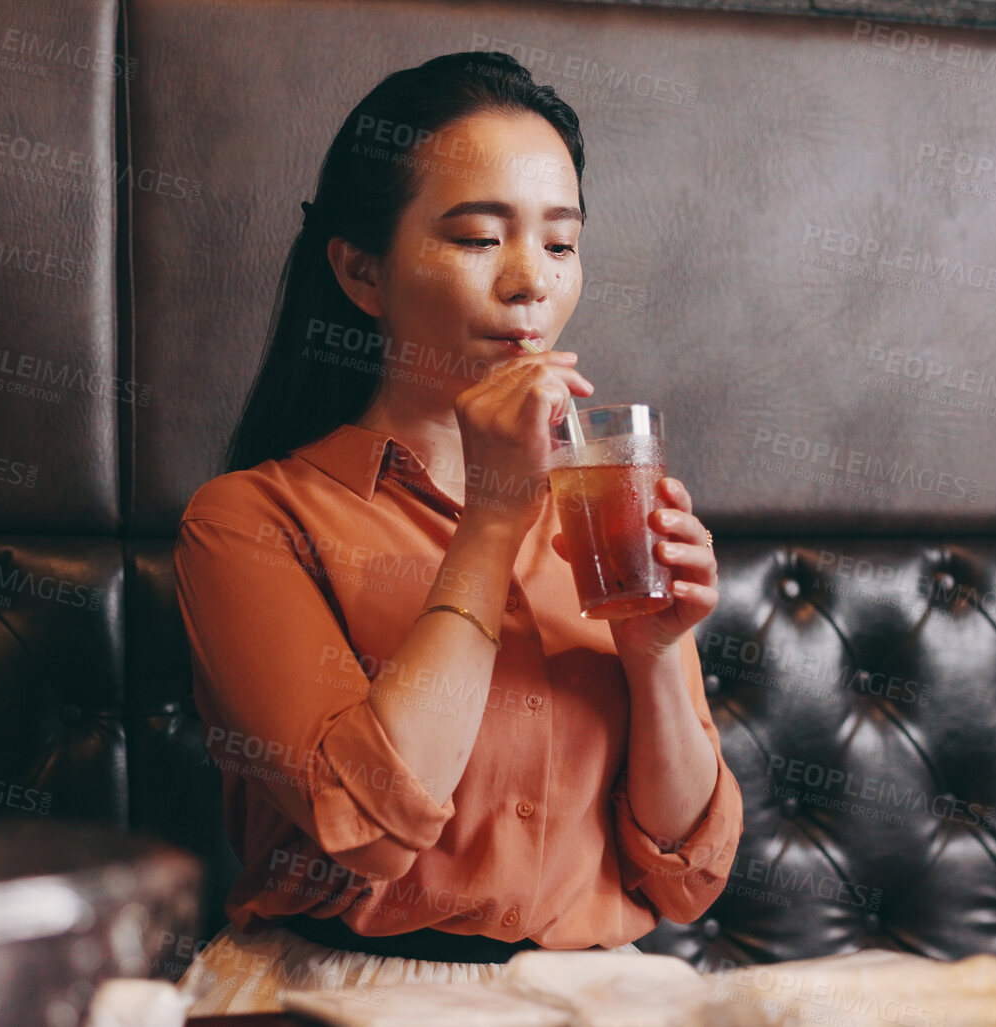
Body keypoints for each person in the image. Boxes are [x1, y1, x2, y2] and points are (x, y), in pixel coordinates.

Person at [171, 50, 742, 1015]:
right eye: (480, 237)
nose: (530, 283)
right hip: (344, 995)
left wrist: (654, 651)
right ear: (360, 271)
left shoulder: (609, 509)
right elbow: (366, 828)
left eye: (559, 246)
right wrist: (490, 519)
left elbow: (683, 874)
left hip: (596, 990)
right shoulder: (247, 522)